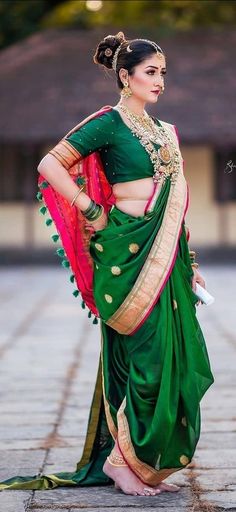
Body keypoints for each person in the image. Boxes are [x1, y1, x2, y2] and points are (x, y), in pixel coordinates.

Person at [0, 31, 214, 497]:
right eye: (150, 72)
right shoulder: (108, 123)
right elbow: (50, 165)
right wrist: (90, 209)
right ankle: (119, 463)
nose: (159, 81)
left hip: (167, 255)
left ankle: (139, 461)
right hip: (125, 255)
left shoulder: (166, 132)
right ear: (125, 76)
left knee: (171, 357)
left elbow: (174, 205)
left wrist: (189, 259)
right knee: (144, 356)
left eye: (163, 73)